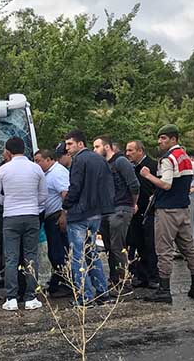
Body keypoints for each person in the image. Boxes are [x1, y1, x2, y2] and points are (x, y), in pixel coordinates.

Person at [139, 124, 194, 304]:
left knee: (164, 250)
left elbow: (166, 184)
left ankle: (164, 290)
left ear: (174, 139)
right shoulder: (185, 157)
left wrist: (148, 175)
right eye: (160, 138)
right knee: (189, 248)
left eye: (164, 138)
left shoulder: (167, 159)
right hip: (183, 208)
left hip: (167, 210)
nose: (160, 141)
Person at [0, 137, 47, 311]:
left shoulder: (3, 170)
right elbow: (43, 195)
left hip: (11, 218)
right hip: (31, 216)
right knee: (31, 256)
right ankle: (30, 298)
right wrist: (30, 203)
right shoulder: (36, 168)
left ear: (8, 151)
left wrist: (9, 202)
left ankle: (11, 298)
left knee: (11, 258)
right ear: (24, 150)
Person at [59, 130, 115, 307]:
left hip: (79, 214)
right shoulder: (100, 159)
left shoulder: (79, 160)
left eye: (70, 144)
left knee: (78, 257)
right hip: (96, 212)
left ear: (80, 144)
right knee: (92, 254)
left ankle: (84, 297)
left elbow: (75, 187)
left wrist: (66, 206)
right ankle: (102, 293)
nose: (66, 148)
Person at [92, 136, 139, 295]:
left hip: (121, 208)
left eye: (97, 146)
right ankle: (114, 281)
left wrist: (132, 204)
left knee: (118, 247)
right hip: (108, 210)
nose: (94, 150)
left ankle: (124, 283)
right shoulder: (104, 165)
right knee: (110, 248)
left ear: (106, 147)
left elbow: (134, 185)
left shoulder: (120, 161)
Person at [34, 149, 71, 298]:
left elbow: (66, 194)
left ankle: (65, 284)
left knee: (58, 253)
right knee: (55, 252)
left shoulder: (57, 173)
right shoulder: (48, 173)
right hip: (50, 215)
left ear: (48, 159)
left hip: (57, 216)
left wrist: (64, 214)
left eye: (39, 161)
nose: (36, 164)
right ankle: (58, 282)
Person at [125, 140, 159, 289]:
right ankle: (141, 275)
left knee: (150, 245)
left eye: (131, 150)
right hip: (135, 212)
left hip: (149, 211)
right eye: (127, 150)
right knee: (137, 243)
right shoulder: (132, 168)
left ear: (140, 151)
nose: (127, 154)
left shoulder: (152, 166)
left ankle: (153, 276)